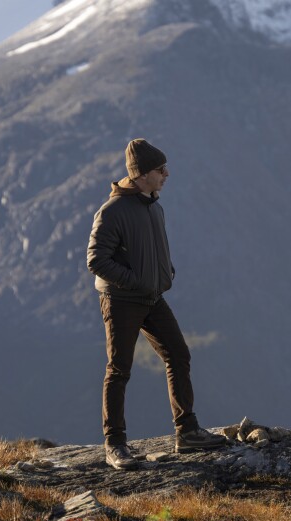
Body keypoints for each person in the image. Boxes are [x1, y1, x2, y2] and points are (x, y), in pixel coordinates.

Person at [86, 139, 227, 470]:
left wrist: (166, 272)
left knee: (178, 354)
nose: (166, 174)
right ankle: (115, 445)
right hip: (121, 300)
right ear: (141, 175)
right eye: (159, 169)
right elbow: (96, 260)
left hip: (152, 298)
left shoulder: (154, 206)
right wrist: (135, 281)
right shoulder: (112, 211)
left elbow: (152, 250)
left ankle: (187, 432)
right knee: (119, 369)